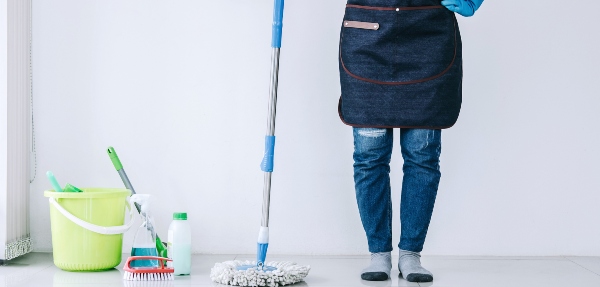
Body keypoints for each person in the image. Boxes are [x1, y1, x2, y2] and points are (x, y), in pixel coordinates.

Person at [337, 0, 484, 283]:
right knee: (370, 156)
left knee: (422, 155)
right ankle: (378, 253)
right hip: (368, 35)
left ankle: (410, 255)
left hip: (428, 34)